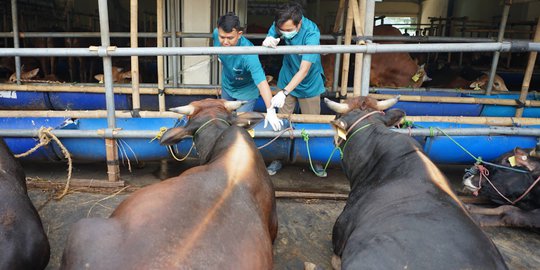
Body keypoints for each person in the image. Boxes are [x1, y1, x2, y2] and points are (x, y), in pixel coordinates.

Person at [262, 2, 327, 177]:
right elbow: (274, 32)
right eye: (281, 30)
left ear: (299, 24)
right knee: (281, 120)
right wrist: (271, 37)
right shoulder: (281, 24)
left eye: (288, 30)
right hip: (287, 75)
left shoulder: (311, 33)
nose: (285, 33)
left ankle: (315, 159)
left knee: (312, 122)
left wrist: (284, 92)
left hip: (309, 83)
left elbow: (304, 70)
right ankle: (279, 157)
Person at [213, 12, 283, 131]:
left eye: (230, 38)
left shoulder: (249, 54)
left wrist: (270, 110)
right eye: (222, 37)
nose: (225, 42)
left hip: (246, 90)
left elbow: (262, 83)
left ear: (239, 34)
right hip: (228, 85)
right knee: (223, 120)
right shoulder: (216, 34)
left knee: (240, 126)